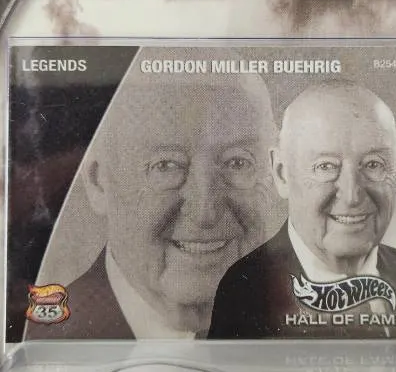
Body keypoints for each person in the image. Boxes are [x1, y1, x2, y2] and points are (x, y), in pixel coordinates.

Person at [27, 67, 278, 339]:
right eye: (166, 165)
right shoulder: (45, 341)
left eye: (238, 162)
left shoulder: (287, 327)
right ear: (99, 182)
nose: (205, 212)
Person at [208, 81, 396, 339]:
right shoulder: (243, 294)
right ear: (282, 174)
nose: (352, 196)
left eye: (374, 164)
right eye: (326, 166)